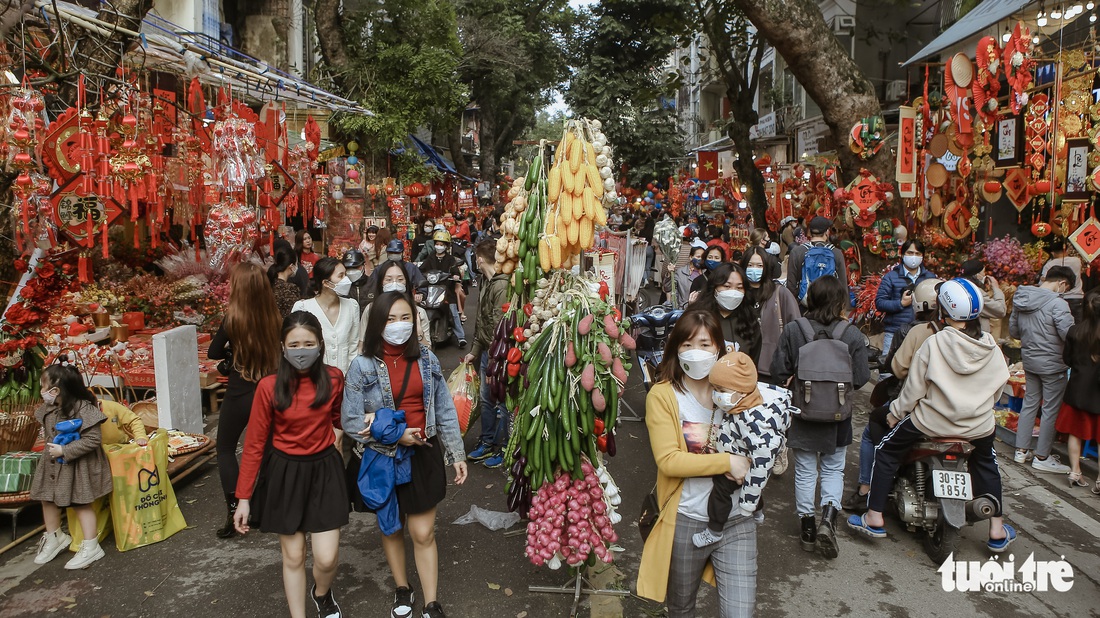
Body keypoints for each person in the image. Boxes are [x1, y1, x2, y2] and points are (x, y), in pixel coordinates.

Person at [848, 279, 1016, 554]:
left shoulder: (935, 343)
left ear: (943, 310)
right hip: (977, 427)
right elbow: (997, 392)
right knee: (987, 463)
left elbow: (913, 390)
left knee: (887, 451)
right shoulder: (991, 347)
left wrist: (895, 414)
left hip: (930, 422)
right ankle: (997, 529)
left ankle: (874, 516)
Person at [342, 292, 468, 618]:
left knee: (423, 532)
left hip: (423, 452)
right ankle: (402, 586)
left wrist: (457, 453)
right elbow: (352, 421)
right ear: (376, 325)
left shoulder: (427, 359)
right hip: (382, 457)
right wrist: (398, 433)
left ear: (415, 321)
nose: (399, 326)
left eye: (405, 318)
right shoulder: (361, 366)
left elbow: (443, 407)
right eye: (390, 319)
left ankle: (431, 602)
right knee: (392, 527)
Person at [636, 310, 756, 617]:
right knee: (681, 607)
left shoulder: (739, 395)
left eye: (704, 344)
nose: (696, 352)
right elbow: (669, 461)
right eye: (687, 344)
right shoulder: (664, 396)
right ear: (676, 348)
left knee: (739, 612)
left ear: (720, 348)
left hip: (736, 519)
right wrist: (728, 461)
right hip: (686, 519)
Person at [233, 311, 347, 618]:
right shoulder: (269, 387)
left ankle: (321, 592)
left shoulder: (335, 378)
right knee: (294, 556)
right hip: (284, 473)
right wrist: (243, 498)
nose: (301, 350)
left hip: (324, 471)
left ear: (320, 345)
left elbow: (340, 419)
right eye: (294, 344)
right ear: (283, 348)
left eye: (308, 343)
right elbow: (254, 444)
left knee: (326, 558)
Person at [771, 275, 869, 560]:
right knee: (833, 468)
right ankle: (828, 517)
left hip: (803, 412)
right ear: (840, 302)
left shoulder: (794, 329)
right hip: (838, 416)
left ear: (810, 298)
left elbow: (779, 370)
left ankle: (808, 529)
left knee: (804, 470)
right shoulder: (851, 334)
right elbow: (862, 377)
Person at [844, 277, 942, 513]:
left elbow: (898, 369)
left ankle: (866, 491)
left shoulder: (917, 331)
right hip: (964, 414)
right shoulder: (978, 338)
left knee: (872, 433)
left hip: (917, 408)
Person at [207, 262, 283, 538]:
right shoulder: (275, 317)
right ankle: (261, 508)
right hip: (267, 392)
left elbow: (213, 353)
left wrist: (232, 352)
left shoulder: (232, 319)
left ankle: (234, 509)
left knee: (226, 448)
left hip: (239, 393)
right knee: (265, 450)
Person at [691, 352, 792, 548]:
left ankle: (714, 530)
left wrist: (748, 503)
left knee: (720, 494)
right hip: (736, 455)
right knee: (748, 488)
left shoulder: (757, 422)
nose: (716, 394)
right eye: (715, 388)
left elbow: (762, 465)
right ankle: (758, 510)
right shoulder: (742, 404)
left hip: (743, 464)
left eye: (721, 389)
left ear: (742, 390)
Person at [29, 364, 113, 570]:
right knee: (46, 498)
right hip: (51, 464)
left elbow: (93, 440)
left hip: (78, 466)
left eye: (43, 386)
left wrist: (65, 451)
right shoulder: (51, 407)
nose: (41, 391)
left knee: (80, 503)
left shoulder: (84, 408)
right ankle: (55, 537)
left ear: (55, 390)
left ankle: (91, 546)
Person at [1009, 266, 1076, 473]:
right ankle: (1042, 456)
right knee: (1050, 409)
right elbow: (1069, 335)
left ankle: (1021, 451)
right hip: (1053, 364)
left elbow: (1014, 331)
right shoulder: (1058, 303)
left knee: (1029, 404)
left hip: (1030, 361)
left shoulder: (1021, 298)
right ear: (1062, 283)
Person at [463, 240, 512, 468]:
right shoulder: (485, 281)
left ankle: (504, 448)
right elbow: (481, 321)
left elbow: (498, 328)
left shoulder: (501, 286)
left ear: (479, 258)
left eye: (475, 257)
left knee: (501, 403)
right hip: (486, 354)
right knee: (486, 400)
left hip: (499, 356)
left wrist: (493, 363)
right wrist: (474, 351)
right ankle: (487, 441)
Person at [1055, 289, 1100, 491]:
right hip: (1098, 393)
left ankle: (1075, 471)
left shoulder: (1074, 331)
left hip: (1077, 390)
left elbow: (1068, 360)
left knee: (1076, 433)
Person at [741, 247, 801, 384]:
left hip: (772, 369)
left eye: (759, 265)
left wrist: (794, 368)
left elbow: (797, 331)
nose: (754, 269)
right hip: (740, 367)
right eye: (750, 265)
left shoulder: (780, 293)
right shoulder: (736, 293)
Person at [293, 257, 361, 374]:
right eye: (340, 276)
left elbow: (353, 346)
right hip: (314, 377)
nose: (346, 280)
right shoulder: (303, 308)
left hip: (345, 380)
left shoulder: (352, 306)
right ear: (326, 283)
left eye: (345, 274)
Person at [874, 239, 937, 362]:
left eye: (918, 254)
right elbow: (880, 302)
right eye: (910, 253)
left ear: (922, 257)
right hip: (894, 332)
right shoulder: (891, 277)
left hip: (923, 332)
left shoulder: (930, 277)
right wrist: (900, 303)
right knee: (888, 369)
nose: (914, 256)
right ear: (902, 255)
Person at [693, 263, 762, 364]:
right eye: (727, 286)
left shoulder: (750, 322)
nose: (733, 292)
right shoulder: (697, 318)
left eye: (739, 287)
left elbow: (752, 363)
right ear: (714, 287)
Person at [357, 260, 432, 352]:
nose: (395, 283)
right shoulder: (371, 310)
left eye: (400, 279)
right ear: (381, 282)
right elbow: (362, 344)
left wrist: (419, 331)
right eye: (388, 280)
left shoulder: (419, 312)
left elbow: (428, 352)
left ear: (406, 282)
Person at [420, 231, 467, 348]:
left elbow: (455, 270)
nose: (439, 246)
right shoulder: (430, 257)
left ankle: (460, 337)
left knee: (453, 312)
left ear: (446, 246)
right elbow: (422, 269)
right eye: (437, 244)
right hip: (431, 289)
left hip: (447, 290)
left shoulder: (450, 259)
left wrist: (455, 276)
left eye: (442, 244)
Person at [785, 216, 847, 304]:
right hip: (829, 309)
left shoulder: (797, 252)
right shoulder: (836, 253)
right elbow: (842, 285)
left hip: (804, 306)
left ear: (810, 232)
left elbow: (791, 285)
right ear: (827, 232)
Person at [1042, 237, 1085, 321]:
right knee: (1077, 324)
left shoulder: (1049, 264)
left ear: (1053, 253)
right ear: (1066, 250)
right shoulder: (1076, 261)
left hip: (1058, 297)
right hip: (1076, 297)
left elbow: (1044, 280)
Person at [961, 259, 1006, 334]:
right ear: (977, 275)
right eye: (983, 272)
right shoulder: (976, 294)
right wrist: (996, 288)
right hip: (975, 337)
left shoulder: (959, 287)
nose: (985, 275)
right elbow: (1001, 310)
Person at [269, 245, 303, 318]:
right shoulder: (290, 289)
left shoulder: (269, 283)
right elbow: (295, 316)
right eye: (296, 264)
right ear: (291, 266)